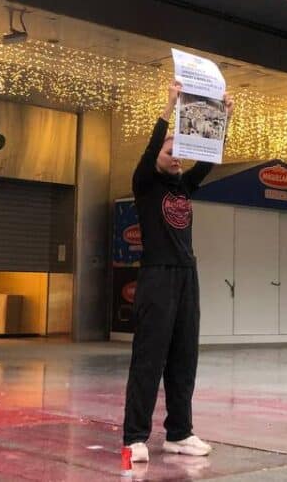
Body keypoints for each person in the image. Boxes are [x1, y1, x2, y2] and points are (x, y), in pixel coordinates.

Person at [121, 81, 233, 463]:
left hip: (187, 275)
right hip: (156, 275)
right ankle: (135, 436)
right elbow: (152, 149)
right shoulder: (145, 183)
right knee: (149, 357)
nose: (177, 155)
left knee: (185, 357)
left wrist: (224, 119)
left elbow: (210, 159)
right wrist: (168, 108)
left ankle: (179, 432)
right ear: (157, 156)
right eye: (172, 150)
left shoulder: (184, 186)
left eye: (179, 150)